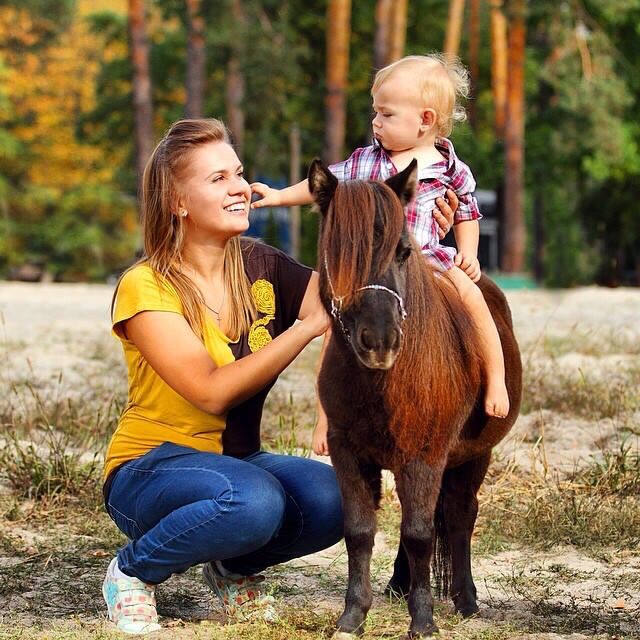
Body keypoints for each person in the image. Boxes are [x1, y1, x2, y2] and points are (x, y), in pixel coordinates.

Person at [101, 118, 345, 635]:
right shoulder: (146, 287)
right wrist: (301, 331)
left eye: (237, 173)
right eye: (218, 179)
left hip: (238, 462)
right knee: (255, 500)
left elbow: (350, 295)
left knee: (337, 497)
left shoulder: (264, 264)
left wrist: (417, 221)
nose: (240, 187)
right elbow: (211, 394)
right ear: (178, 201)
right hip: (148, 468)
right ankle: (130, 572)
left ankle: (231, 567)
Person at [251, 54, 510, 459]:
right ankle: (326, 417)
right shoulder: (367, 160)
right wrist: (278, 196)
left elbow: (467, 212)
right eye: (375, 112)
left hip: (428, 261)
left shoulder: (450, 167)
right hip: (373, 267)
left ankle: (495, 379)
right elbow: (324, 186)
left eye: (386, 114)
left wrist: (469, 254)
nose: (375, 122)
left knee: (474, 299)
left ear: (425, 119)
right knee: (332, 330)